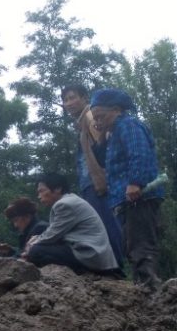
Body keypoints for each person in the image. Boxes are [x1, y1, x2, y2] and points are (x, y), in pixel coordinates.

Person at [91, 88, 167, 290]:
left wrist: (135, 182)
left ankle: (151, 291)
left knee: (140, 245)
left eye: (101, 115)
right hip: (126, 200)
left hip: (138, 197)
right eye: (95, 118)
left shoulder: (128, 125)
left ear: (116, 109)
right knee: (132, 245)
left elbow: (138, 153)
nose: (98, 121)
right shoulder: (112, 133)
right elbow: (102, 161)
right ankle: (145, 288)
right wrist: (100, 137)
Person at [62, 84, 124, 266]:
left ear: (84, 98)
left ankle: (117, 268)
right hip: (92, 183)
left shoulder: (90, 117)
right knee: (104, 226)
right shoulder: (83, 122)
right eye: (65, 100)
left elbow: (103, 149)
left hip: (98, 183)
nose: (69, 103)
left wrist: (102, 179)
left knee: (107, 227)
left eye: (72, 97)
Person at [22, 172, 119, 275]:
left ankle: (80, 274)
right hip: (90, 253)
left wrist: (32, 243)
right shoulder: (70, 200)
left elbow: (52, 235)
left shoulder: (64, 204)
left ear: (58, 188)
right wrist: (36, 240)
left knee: (36, 251)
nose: (39, 196)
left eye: (41, 191)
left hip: (90, 254)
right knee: (38, 249)